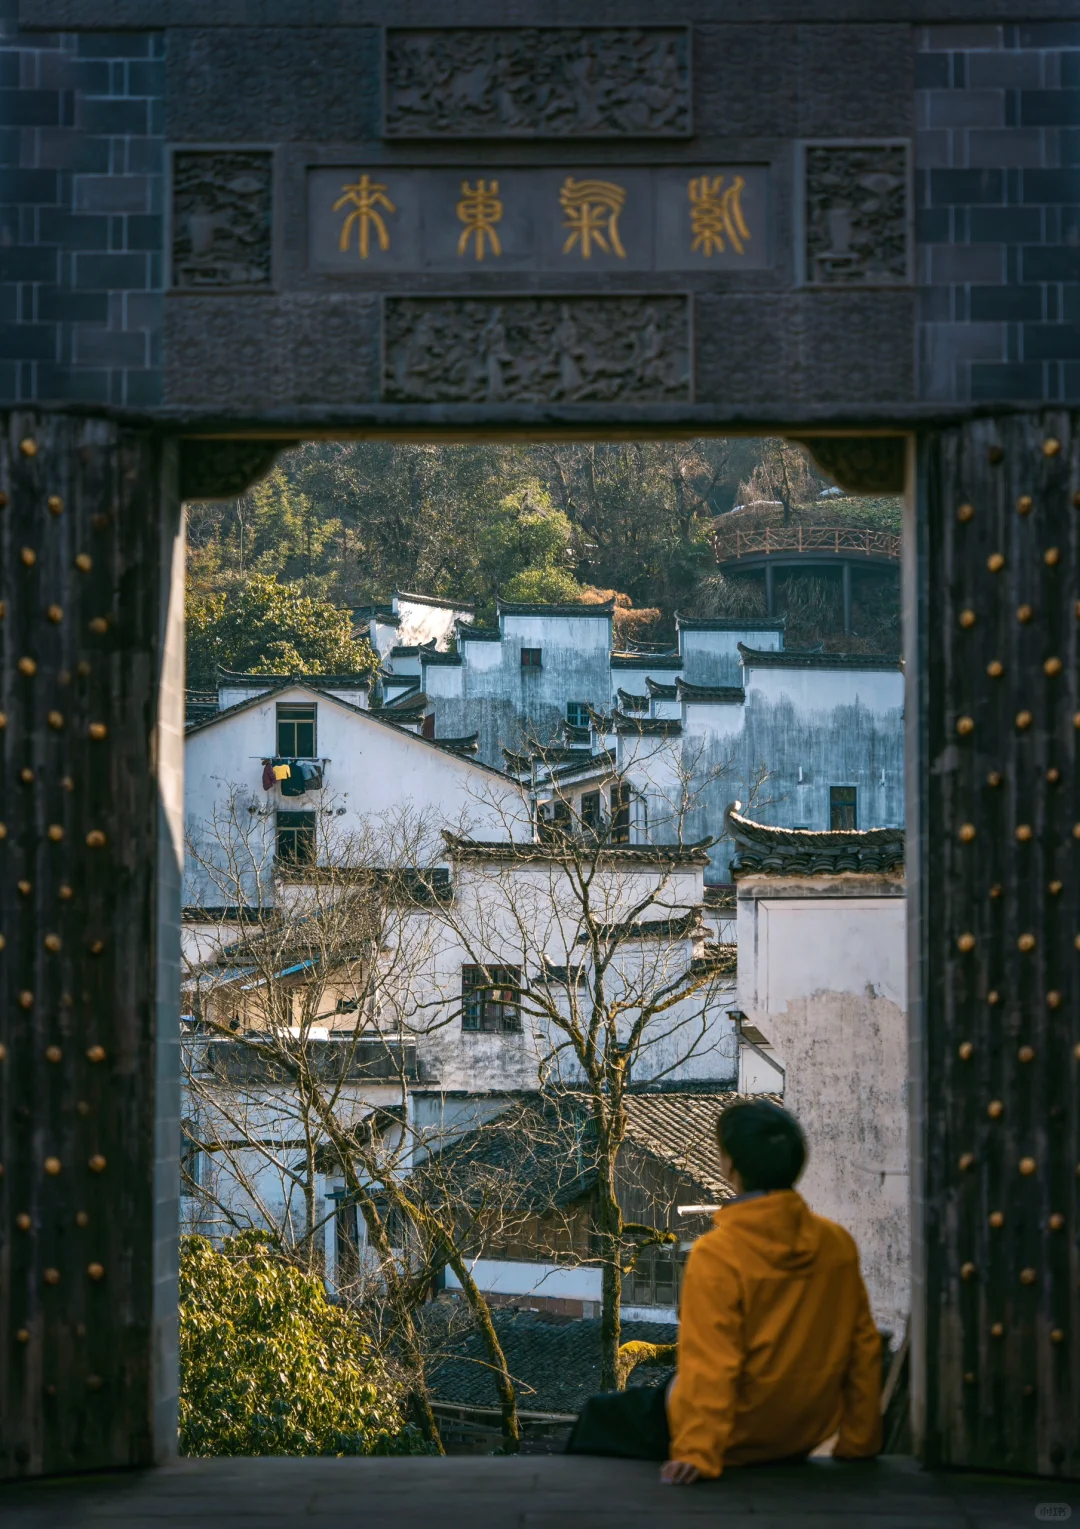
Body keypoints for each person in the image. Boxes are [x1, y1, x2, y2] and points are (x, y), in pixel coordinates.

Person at [565, 1098, 882, 1485]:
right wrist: (860, 1440)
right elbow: (863, 1345)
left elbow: (711, 1360)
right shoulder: (835, 1242)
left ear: (730, 1165)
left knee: (599, 1416)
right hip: (806, 1427)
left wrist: (698, 1450)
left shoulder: (720, 1253)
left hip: (738, 1430)